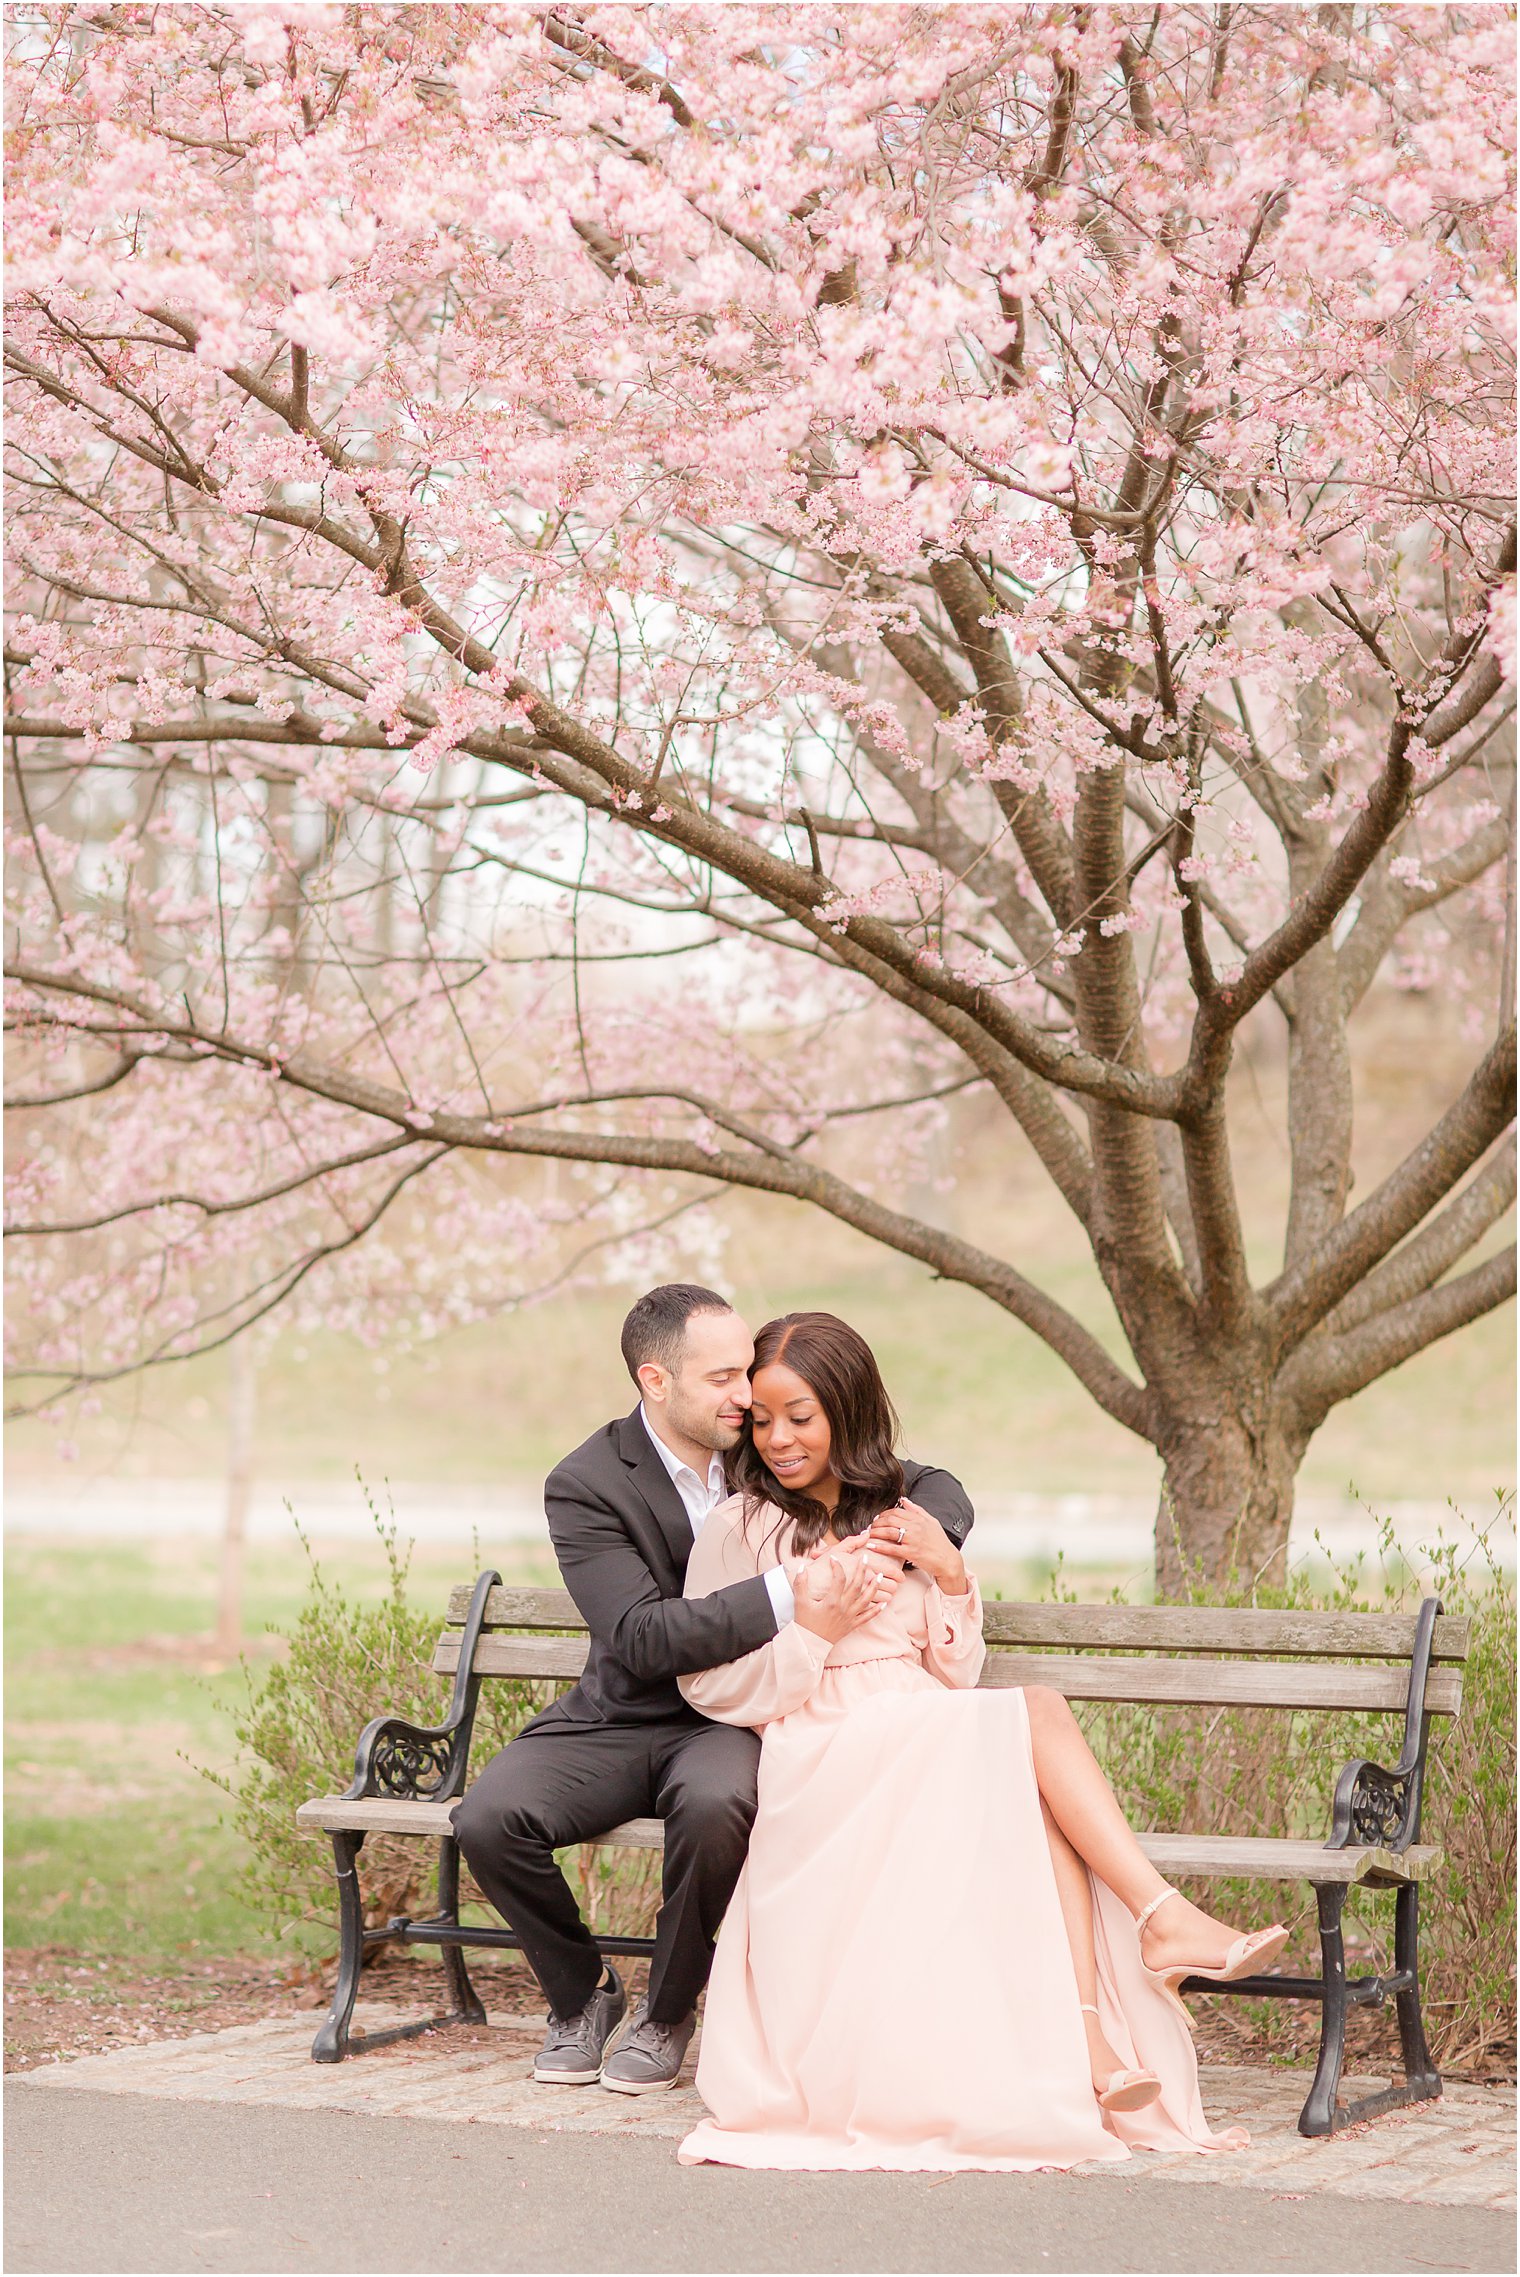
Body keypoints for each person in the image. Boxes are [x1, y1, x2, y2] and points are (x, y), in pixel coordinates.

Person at [675, 1311, 1288, 2173]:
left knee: (1033, 1795)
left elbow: (954, 1671)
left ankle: (1095, 2049)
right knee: (1033, 1712)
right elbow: (707, 1684)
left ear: (847, 1409)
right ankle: (1160, 1919)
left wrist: (953, 1574)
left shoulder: (903, 1516)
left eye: (801, 1416)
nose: (779, 1438)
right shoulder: (737, 1528)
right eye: (764, 1418)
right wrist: (811, 1633)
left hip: (925, 1725)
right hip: (825, 1747)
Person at [451, 1284, 974, 2095]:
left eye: (750, 1376)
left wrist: (924, 1538)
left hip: (741, 1711)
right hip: (626, 1712)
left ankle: (665, 2010)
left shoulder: (765, 1442)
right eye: (724, 1377)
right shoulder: (588, 1482)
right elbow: (642, 1635)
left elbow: (925, 1482)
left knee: (715, 1805)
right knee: (487, 1819)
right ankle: (580, 1994)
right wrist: (790, 1592)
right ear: (656, 1382)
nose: (747, 1396)